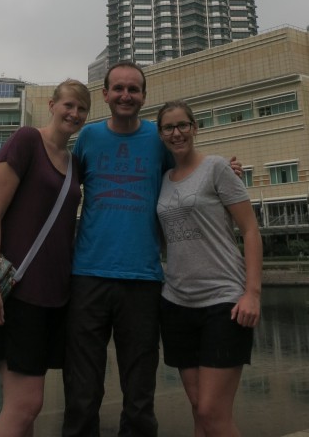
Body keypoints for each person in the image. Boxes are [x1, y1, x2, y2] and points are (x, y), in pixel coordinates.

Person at [62, 62, 242, 437]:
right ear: (106, 95)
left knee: (140, 392)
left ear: (144, 95)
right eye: (118, 89)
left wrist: (226, 167)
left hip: (143, 280)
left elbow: (188, 169)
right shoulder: (89, 139)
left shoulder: (156, 141)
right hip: (87, 276)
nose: (126, 95)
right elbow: (63, 188)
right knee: (82, 390)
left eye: (134, 89)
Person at [0, 79, 91, 437]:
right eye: (68, 105)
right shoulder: (26, 140)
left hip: (54, 296)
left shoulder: (74, 163)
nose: (74, 113)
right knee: (27, 405)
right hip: (17, 293)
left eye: (82, 109)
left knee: (20, 410)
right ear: (52, 106)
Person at [156, 100, 262, 437]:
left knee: (212, 412)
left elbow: (250, 230)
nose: (177, 133)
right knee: (199, 411)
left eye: (183, 125)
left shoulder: (216, 167)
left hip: (223, 302)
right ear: (160, 135)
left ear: (195, 127)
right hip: (176, 303)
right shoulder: (162, 180)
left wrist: (252, 293)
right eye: (169, 128)